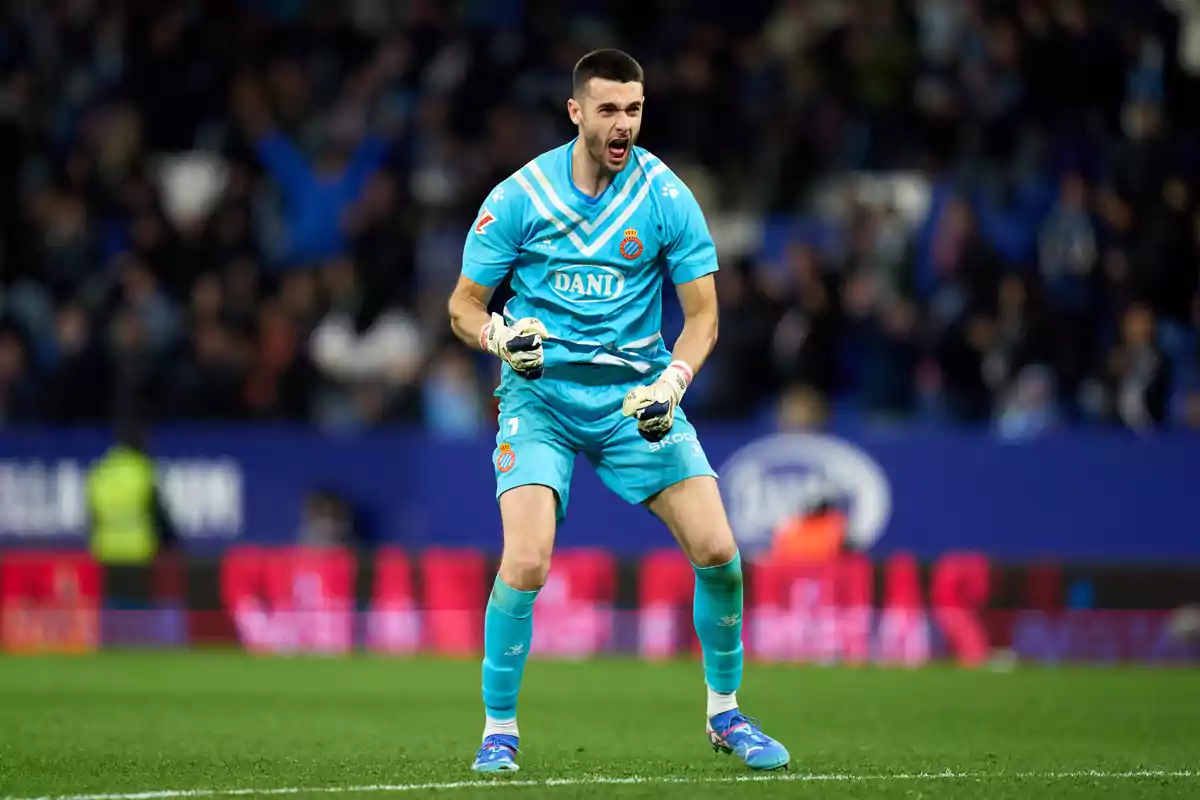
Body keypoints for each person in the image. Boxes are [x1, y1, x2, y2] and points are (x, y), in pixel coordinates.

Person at [447, 49, 789, 774]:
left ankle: (725, 716)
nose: (622, 124)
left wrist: (672, 385)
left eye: (633, 109)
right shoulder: (520, 197)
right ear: (576, 112)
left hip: (635, 402)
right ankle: (498, 731)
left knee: (720, 553)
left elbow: (703, 319)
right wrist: (499, 337)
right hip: (540, 399)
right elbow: (461, 306)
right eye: (608, 109)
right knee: (528, 560)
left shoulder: (667, 197)